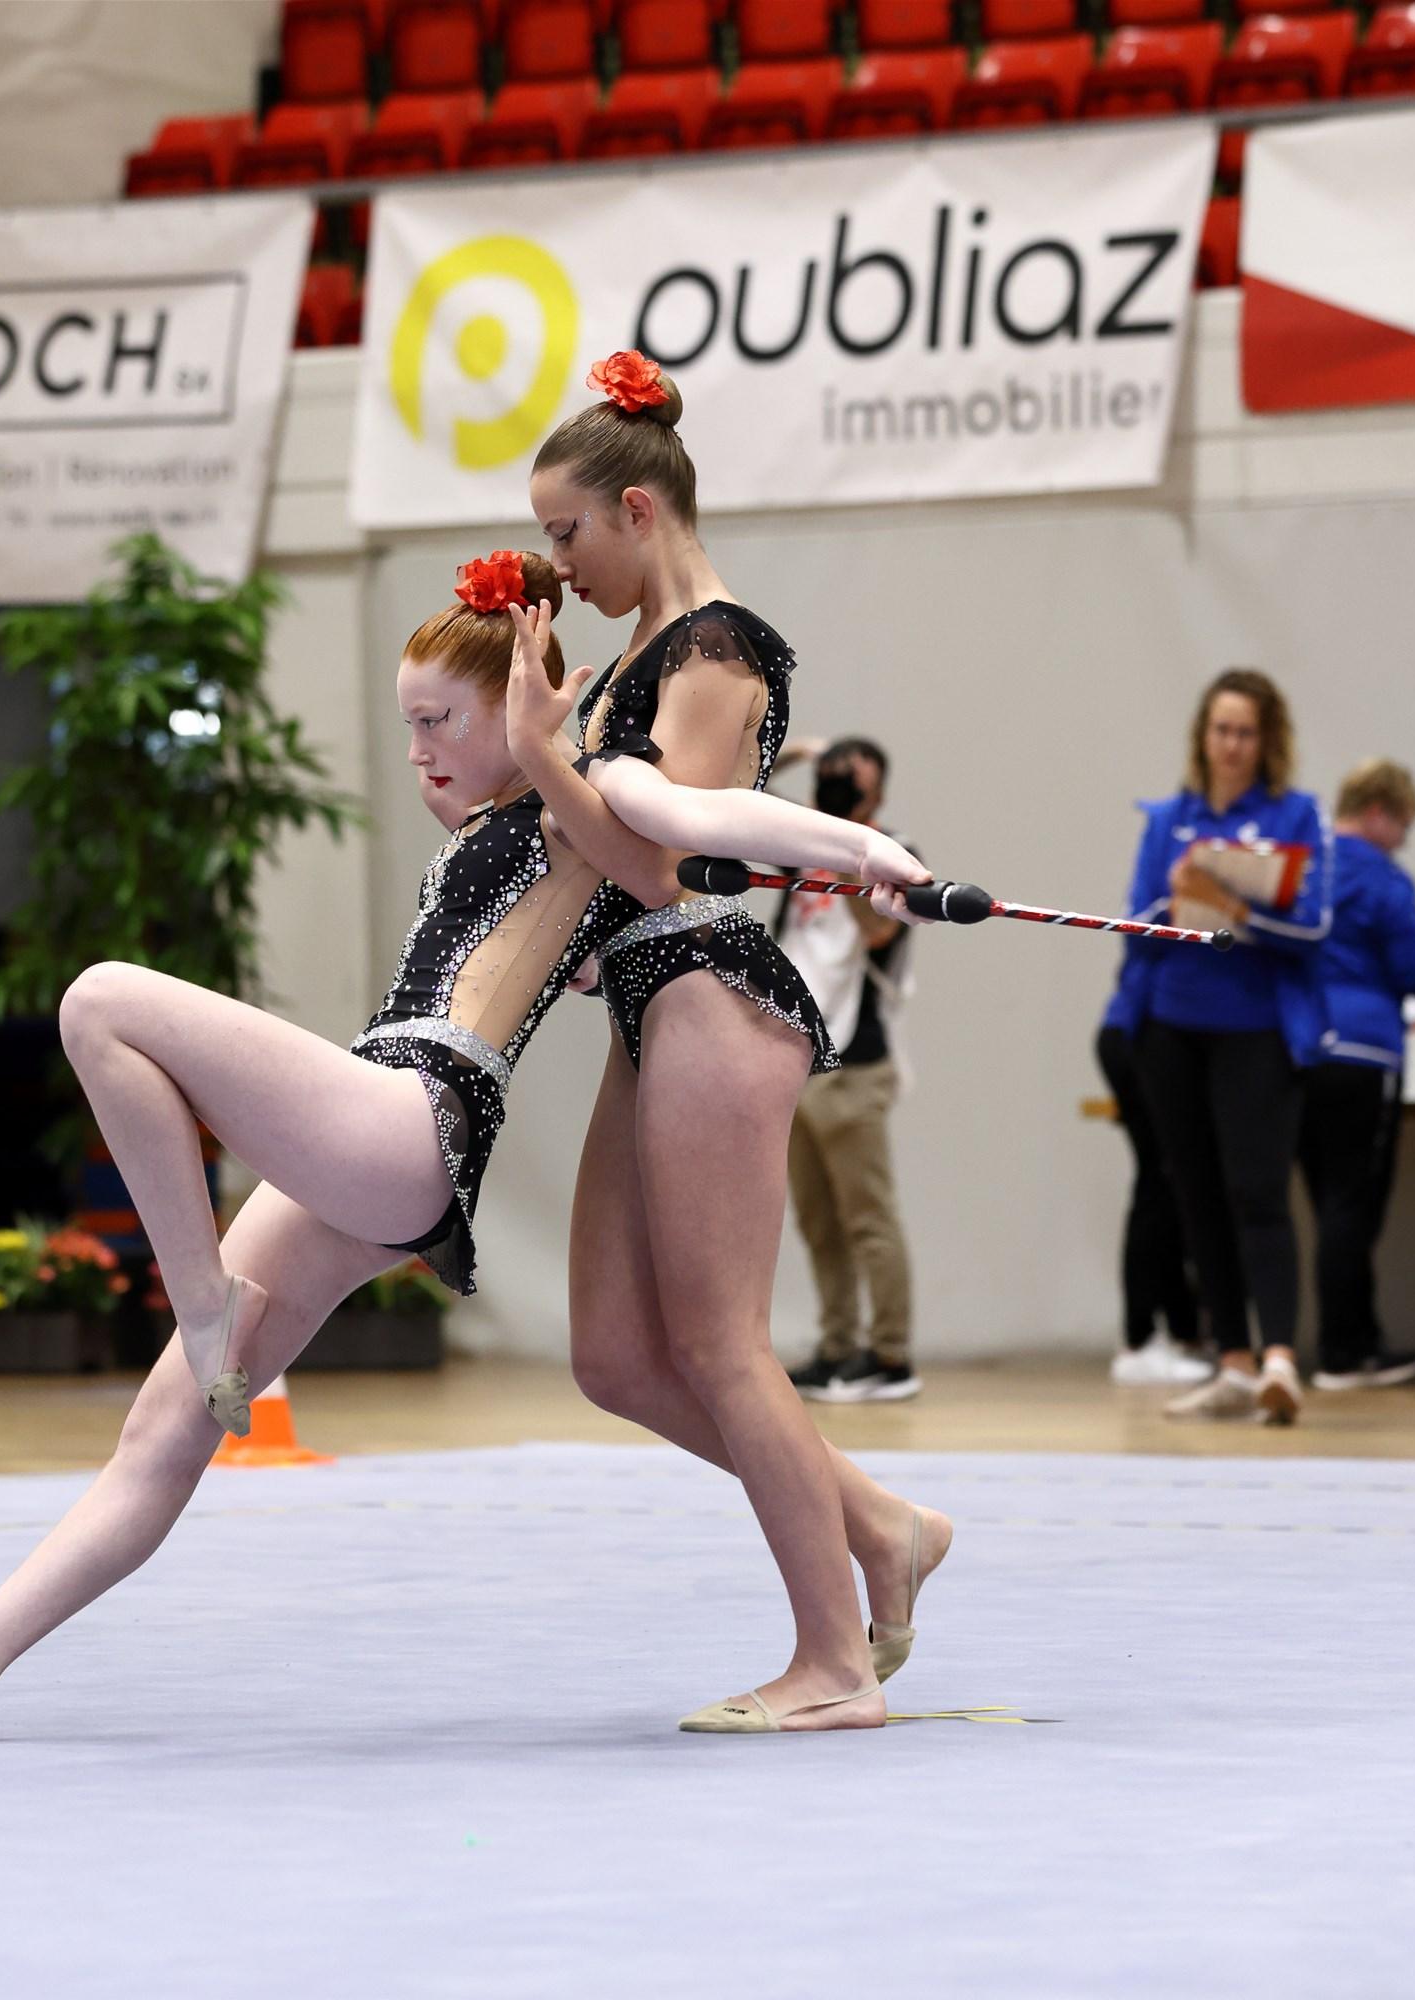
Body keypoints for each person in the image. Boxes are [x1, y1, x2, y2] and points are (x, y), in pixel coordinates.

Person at [0, 553, 921, 1743]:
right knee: (163, 1429)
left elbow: (706, 818)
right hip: (367, 1133)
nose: (418, 750)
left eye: (440, 721)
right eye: (408, 725)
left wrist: (862, 850)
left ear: (516, 707)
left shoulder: (579, 793)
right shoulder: (495, 815)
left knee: (100, 1002)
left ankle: (202, 1302)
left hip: (413, 1116)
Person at [511, 351, 953, 1733]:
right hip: (650, 1000)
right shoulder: (633, 657)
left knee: (720, 1343)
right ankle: (877, 1523)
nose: (558, 562)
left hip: (709, 986)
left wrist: (540, 756)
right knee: (615, 1355)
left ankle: (833, 1662)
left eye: (568, 532)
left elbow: (659, 860)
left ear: (638, 510)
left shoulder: (714, 649)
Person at [1120, 669, 1333, 1426]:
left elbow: (1313, 928)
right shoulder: (1169, 817)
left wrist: (1239, 908)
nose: (1232, 745)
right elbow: (1135, 925)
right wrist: (1180, 894)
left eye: (1246, 732)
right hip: (1174, 1028)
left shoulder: (1295, 814)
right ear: (1202, 736)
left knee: (1258, 1192)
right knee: (1197, 1195)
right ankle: (1234, 1362)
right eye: (1221, 730)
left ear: (1267, 741)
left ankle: (1280, 1359)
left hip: (1258, 1030)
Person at [770, 735, 924, 1404]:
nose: (838, 789)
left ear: (878, 794)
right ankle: (837, 1348)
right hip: (794, 1056)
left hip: (855, 1063)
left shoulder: (896, 854)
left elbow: (881, 930)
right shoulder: (802, 845)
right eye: (833, 778)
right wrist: (799, 751)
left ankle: (890, 1356)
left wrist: (854, 842)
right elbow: (731, 795)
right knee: (818, 1220)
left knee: (868, 1218)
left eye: (851, 783)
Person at [1299, 760, 1415, 1391]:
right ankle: (1347, 1349)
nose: (1403, 840)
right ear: (1378, 813)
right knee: (1354, 1204)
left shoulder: (1304, 868)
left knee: (1323, 1200)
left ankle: (1350, 1339)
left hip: (1303, 1048)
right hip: (1364, 1051)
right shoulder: (1385, 879)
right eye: (1404, 825)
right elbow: (1410, 965)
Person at [1096, 953, 1209, 1387]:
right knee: (1159, 1185)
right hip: (1141, 1033)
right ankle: (1141, 1338)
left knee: (1171, 1185)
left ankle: (1179, 1331)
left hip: (1146, 1031)